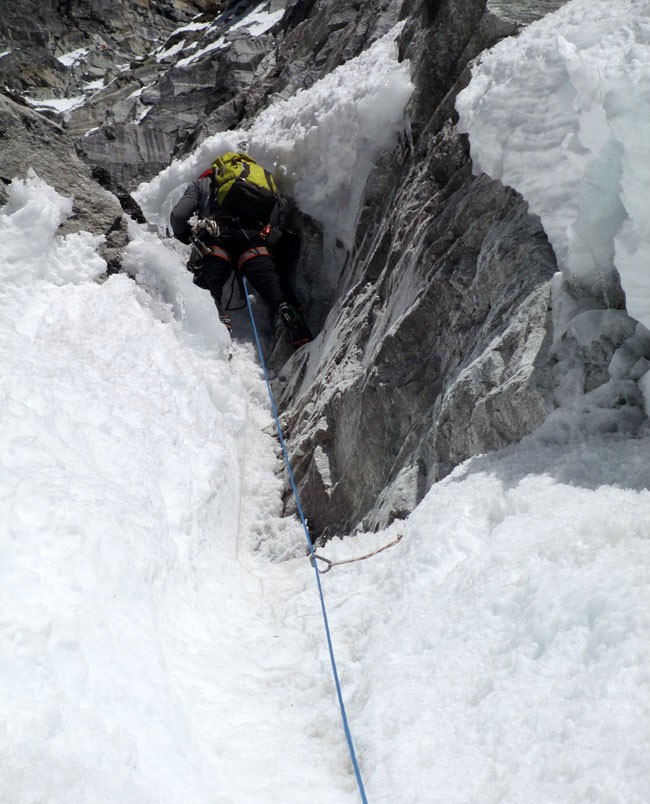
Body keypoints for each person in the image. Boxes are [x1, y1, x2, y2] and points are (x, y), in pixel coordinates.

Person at [170, 152, 311, 347]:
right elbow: (278, 214)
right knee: (267, 276)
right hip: (254, 238)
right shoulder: (263, 179)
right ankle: (285, 307)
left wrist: (185, 235)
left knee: (210, 281)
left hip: (215, 237)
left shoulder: (204, 182)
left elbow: (179, 214)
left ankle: (217, 319)